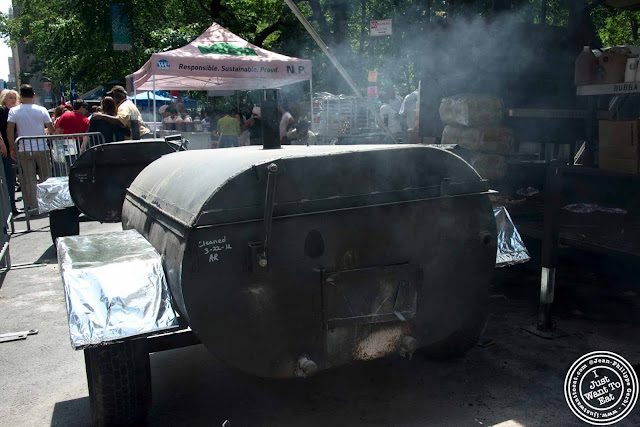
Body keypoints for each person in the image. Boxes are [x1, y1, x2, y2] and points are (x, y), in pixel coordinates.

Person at [7, 84, 55, 212]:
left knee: (29, 179)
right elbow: (51, 128)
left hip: (24, 148)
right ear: (33, 95)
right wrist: (46, 132)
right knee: (46, 177)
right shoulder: (42, 109)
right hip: (42, 147)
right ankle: (48, 204)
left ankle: (33, 206)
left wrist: (12, 147)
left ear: (20, 96)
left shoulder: (14, 111)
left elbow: (10, 129)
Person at [0, 89, 19, 215]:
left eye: (14, 97)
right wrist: (2, 144)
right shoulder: (2, 111)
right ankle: (9, 207)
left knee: (11, 179)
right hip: (5, 149)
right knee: (7, 179)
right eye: (10, 97)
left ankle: (12, 206)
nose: (12, 100)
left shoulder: (15, 112)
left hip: (13, 149)